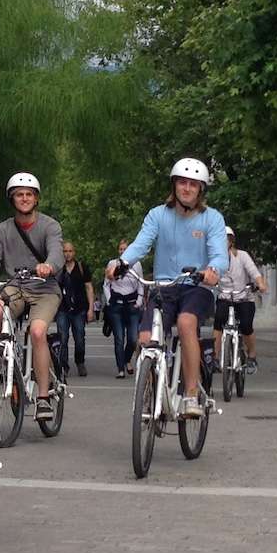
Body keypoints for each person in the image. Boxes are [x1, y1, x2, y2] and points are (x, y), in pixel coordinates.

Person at [106, 158, 227, 420]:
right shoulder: (158, 215)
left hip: (197, 287)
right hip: (164, 287)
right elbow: (141, 243)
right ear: (174, 185)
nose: (187, 188)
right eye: (182, 182)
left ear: (201, 189)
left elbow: (219, 253)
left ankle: (191, 394)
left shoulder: (212, 218)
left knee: (186, 323)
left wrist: (213, 270)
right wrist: (122, 263)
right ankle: (151, 391)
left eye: (193, 184)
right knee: (144, 338)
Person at [0, 172, 65, 426]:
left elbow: (57, 252)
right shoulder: (3, 229)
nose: (24, 198)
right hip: (16, 286)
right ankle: (7, 356)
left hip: (45, 288)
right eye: (19, 194)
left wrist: (48, 266)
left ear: (36, 198)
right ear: (12, 198)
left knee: (38, 332)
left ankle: (43, 397)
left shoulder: (50, 226)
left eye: (29, 194)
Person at [214, 229, 267, 372]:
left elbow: (254, 272)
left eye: (225, 239)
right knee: (218, 322)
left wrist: (260, 283)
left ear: (231, 242)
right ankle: (215, 357)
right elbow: (209, 273)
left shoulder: (242, 256)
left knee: (246, 325)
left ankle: (252, 355)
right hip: (225, 297)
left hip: (244, 298)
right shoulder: (214, 258)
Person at [56, 239, 96, 378]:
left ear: (74, 252)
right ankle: (63, 366)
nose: (67, 254)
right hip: (63, 309)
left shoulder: (81, 267)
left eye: (70, 251)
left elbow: (89, 287)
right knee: (62, 338)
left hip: (79, 309)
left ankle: (80, 362)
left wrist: (91, 309)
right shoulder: (58, 268)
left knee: (79, 338)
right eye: (65, 251)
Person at [104, 240, 144, 377]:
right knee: (119, 338)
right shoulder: (112, 264)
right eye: (121, 249)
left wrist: (139, 301)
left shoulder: (137, 264)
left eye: (125, 249)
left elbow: (140, 283)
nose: (123, 251)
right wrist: (109, 300)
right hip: (117, 305)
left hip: (132, 304)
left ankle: (127, 359)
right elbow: (106, 284)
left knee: (133, 338)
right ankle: (120, 369)